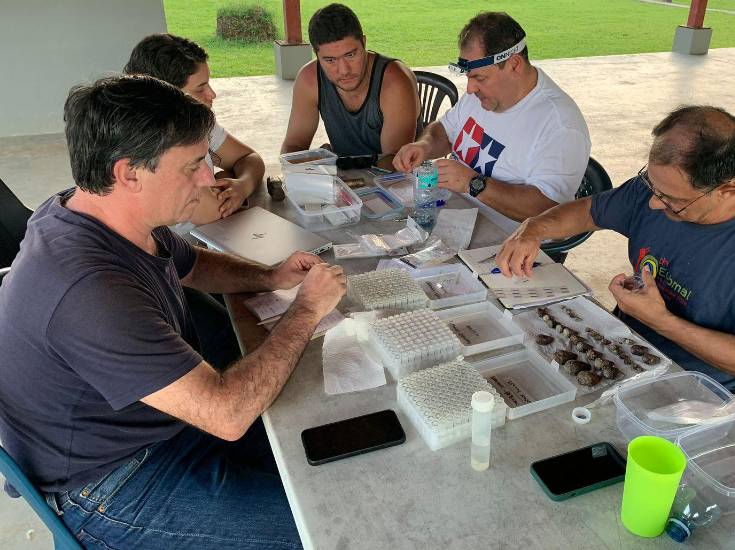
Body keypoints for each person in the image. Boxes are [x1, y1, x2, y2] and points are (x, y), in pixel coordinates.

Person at [0, 75, 347, 549]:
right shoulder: (89, 291)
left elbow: (193, 263)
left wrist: (272, 276)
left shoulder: (103, 212)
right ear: (129, 173)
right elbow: (226, 414)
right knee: (330, 526)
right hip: (111, 482)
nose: (209, 178)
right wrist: (305, 310)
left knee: (328, 448)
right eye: (191, 167)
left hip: (154, 425)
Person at [496, 105, 735, 392]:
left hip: (687, 388)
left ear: (727, 191)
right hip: (614, 348)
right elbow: (588, 211)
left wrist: (661, 321)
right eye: (651, 185)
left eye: (672, 200)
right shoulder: (660, 188)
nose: (653, 202)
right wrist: (535, 228)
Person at [393, 11, 591, 233]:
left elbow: (548, 208)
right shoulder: (483, 95)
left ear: (514, 64)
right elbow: (445, 130)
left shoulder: (559, 125)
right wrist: (425, 145)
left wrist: (473, 184)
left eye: (479, 78)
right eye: (469, 77)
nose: (469, 89)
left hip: (507, 243)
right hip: (453, 219)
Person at [125, 33, 265, 227]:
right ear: (164, 96)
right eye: (200, 89)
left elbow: (249, 158)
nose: (212, 94)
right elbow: (213, 212)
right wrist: (225, 180)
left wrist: (242, 184)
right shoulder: (156, 143)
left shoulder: (196, 121)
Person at [281, 3, 420, 157]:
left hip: (395, 178)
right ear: (316, 55)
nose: (344, 70)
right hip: (344, 176)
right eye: (330, 60)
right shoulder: (309, 79)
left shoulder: (394, 82)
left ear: (364, 43)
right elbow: (293, 146)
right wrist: (314, 160)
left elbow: (395, 165)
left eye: (350, 55)